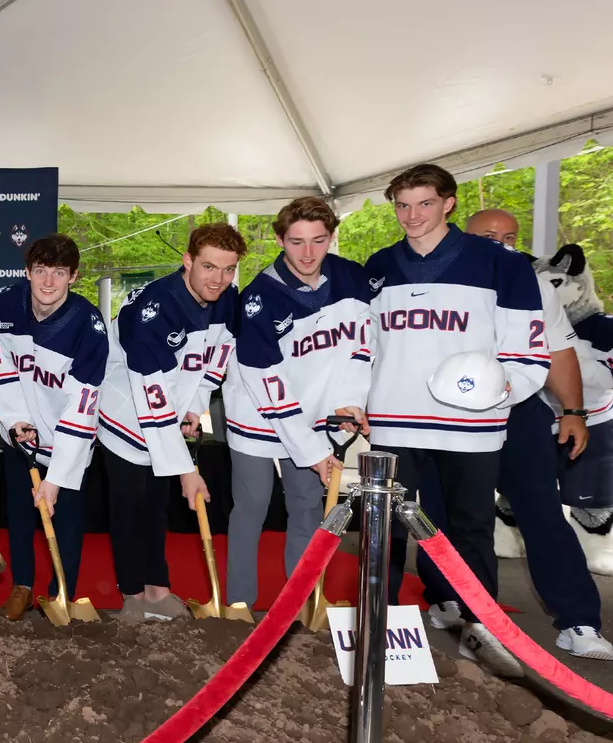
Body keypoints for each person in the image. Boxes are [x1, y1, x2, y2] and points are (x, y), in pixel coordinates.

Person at [365, 164, 549, 676]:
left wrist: (502, 390)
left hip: (470, 422)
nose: (412, 216)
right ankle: (379, 627)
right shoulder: (378, 266)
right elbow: (363, 348)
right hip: (393, 422)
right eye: (402, 205)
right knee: (384, 530)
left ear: (449, 203)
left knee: (471, 530)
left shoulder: (500, 265)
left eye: (424, 203)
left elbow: (530, 348)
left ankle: (481, 628)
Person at [446, 209, 610, 659]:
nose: (501, 243)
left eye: (510, 236)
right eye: (489, 235)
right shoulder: (440, 275)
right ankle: (464, 612)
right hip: (447, 414)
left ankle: (578, 621)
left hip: (520, 411)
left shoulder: (535, 283)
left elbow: (561, 349)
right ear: (462, 235)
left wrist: (573, 411)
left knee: (541, 512)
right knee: (455, 517)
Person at [221, 197, 371, 612]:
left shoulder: (352, 279)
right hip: (258, 414)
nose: (308, 253)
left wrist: (350, 401)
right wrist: (312, 449)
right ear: (280, 239)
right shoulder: (259, 298)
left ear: (331, 237)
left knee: (306, 507)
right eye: (296, 242)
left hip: (315, 415)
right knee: (251, 507)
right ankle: (237, 605)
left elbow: (360, 347)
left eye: (318, 241)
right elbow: (265, 382)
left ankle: (299, 602)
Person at [96, 223, 240, 622]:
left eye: (228, 270)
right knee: (128, 505)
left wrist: (195, 408)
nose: (219, 279)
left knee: (156, 507)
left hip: (170, 413)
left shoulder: (226, 299)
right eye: (209, 267)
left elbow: (215, 360)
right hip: (126, 417)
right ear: (188, 260)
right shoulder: (148, 313)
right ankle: (131, 593)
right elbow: (150, 395)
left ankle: (157, 589)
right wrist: (187, 470)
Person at [0, 234, 108, 620]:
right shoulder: (2, 304)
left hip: (68, 439)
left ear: (73, 276)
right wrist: (16, 419)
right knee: (20, 514)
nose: (48, 282)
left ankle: (61, 593)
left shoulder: (88, 326)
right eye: (41, 271)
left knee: (66, 520)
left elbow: (82, 407)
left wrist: (56, 478)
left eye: (58, 273)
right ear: (28, 272)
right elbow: (0, 367)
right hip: (19, 434)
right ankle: (22, 586)